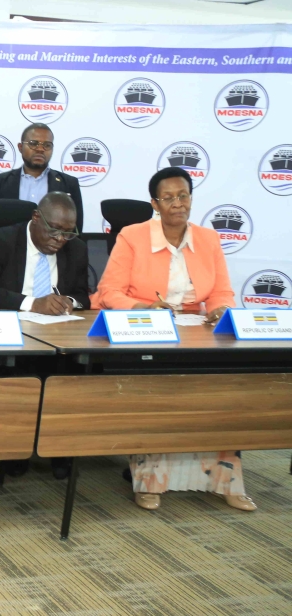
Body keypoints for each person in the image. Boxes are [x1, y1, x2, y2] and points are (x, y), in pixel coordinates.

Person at [93, 167, 253, 513]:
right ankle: (150, 481)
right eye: (168, 198)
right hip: (146, 331)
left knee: (223, 390)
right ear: (155, 203)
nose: (177, 204)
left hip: (195, 330)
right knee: (162, 392)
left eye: (183, 196)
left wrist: (221, 310)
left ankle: (226, 480)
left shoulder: (208, 239)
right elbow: (109, 293)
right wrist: (147, 307)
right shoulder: (133, 236)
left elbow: (223, 292)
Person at [0, 191, 89, 479]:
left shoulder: (76, 249)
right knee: (21, 374)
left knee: (72, 371)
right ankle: (15, 449)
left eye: (68, 233)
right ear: (35, 217)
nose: (60, 240)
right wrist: (32, 302)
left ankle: (58, 449)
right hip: (8, 332)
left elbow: (82, 294)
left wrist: (69, 301)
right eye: (54, 231)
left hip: (58, 335)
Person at [0, 123, 84, 233]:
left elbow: (75, 229)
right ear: (20, 147)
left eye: (47, 145)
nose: (40, 149)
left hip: (53, 248)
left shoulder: (69, 184)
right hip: (8, 248)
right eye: (33, 143)